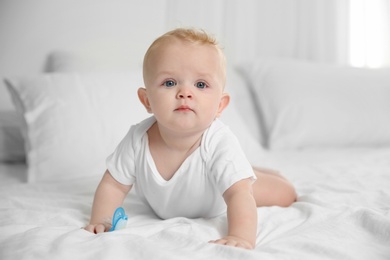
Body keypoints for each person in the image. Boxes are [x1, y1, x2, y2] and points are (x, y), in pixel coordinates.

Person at [84, 28, 296, 249]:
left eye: (201, 85)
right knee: (233, 170)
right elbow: (113, 185)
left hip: (219, 196)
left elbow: (238, 195)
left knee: (285, 194)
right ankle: (241, 169)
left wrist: (241, 236)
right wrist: (101, 220)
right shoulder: (137, 140)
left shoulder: (218, 142)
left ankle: (246, 172)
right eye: (169, 83)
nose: (185, 92)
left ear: (220, 105)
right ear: (146, 100)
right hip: (208, 176)